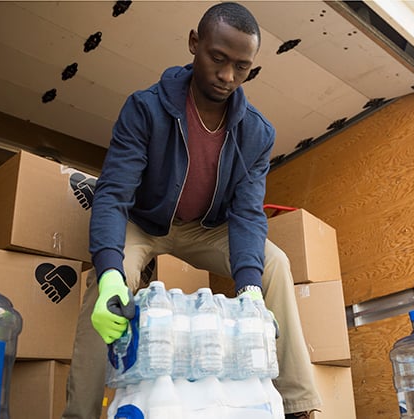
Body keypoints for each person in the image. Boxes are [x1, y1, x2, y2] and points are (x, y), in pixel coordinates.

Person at [61, 3, 322, 419]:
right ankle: (81, 414)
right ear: (194, 43)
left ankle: (296, 407)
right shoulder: (145, 108)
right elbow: (113, 194)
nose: (227, 76)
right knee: (111, 283)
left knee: (274, 264)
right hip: (144, 223)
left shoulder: (257, 132)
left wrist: (250, 288)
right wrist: (109, 269)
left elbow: (248, 213)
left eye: (242, 67)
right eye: (218, 58)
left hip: (205, 229)